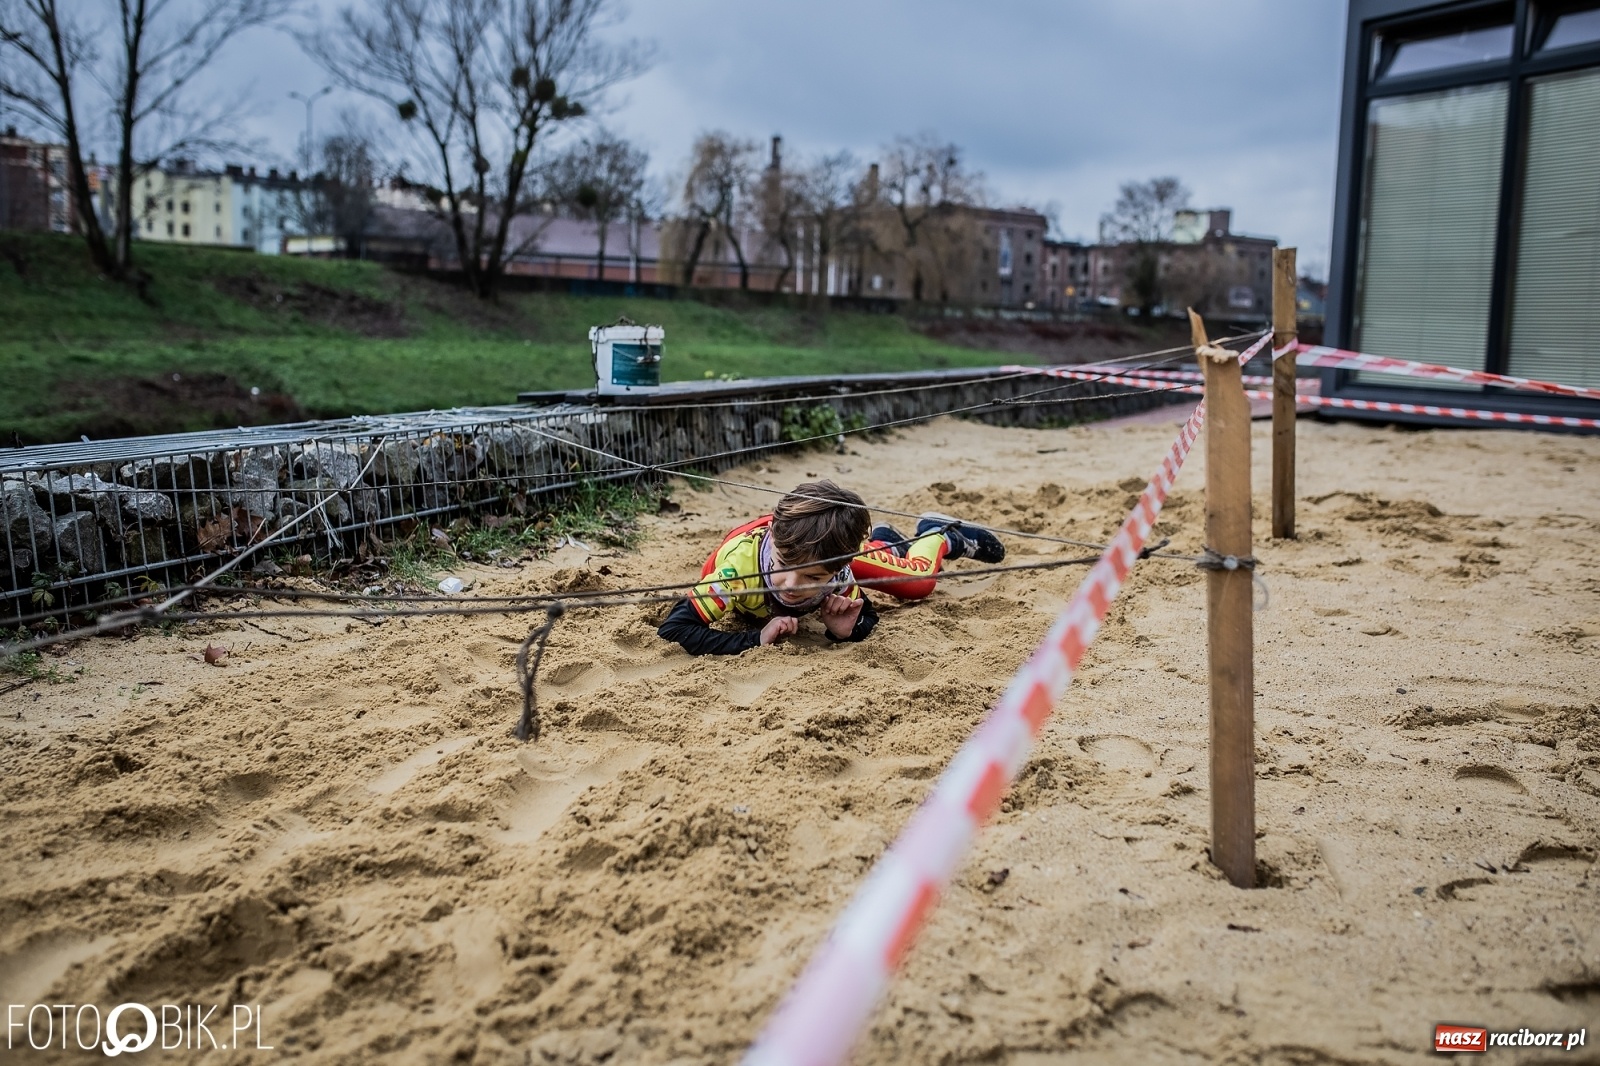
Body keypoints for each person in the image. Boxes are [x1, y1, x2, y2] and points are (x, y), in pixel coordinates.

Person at [656, 479, 1005, 656]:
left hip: (822, 542)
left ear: (841, 568)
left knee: (918, 585)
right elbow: (673, 628)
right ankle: (885, 540)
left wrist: (844, 630)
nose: (791, 585)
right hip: (791, 537)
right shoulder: (736, 575)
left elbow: (865, 614)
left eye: (812, 578)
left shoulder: (839, 574)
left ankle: (937, 534)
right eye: (784, 568)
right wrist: (754, 639)